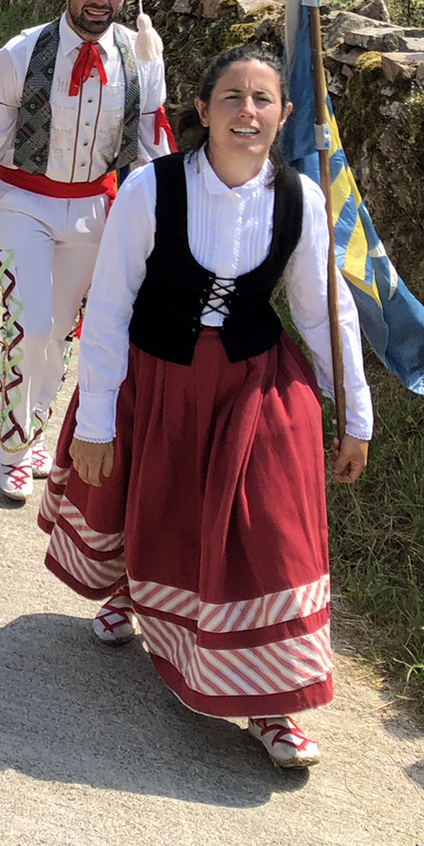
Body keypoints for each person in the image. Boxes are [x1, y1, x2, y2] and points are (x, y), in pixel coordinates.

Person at [40, 44, 371, 770]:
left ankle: (271, 701)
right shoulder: (151, 189)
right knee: (156, 502)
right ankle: (137, 590)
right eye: (231, 97)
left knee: (271, 531)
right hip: (156, 379)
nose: (246, 112)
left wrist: (354, 415)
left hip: (256, 384)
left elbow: (323, 310)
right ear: (202, 109)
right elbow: (110, 308)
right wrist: (95, 420)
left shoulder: (300, 199)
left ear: (284, 115)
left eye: (262, 100)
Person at [0, 0, 172, 503]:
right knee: (30, 326)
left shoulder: (141, 57)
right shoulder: (20, 54)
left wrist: (175, 222)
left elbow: (153, 147)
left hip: (97, 210)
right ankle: (12, 448)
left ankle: (36, 430)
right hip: (23, 202)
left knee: (65, 331)